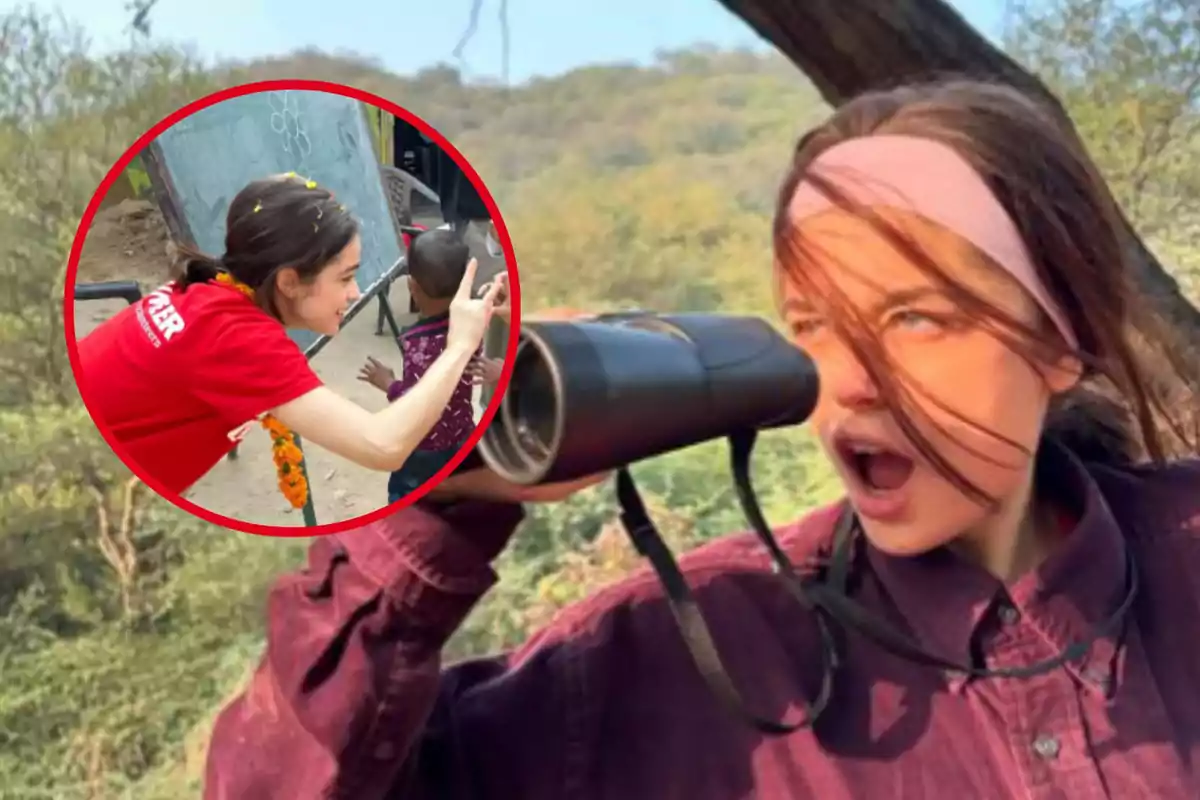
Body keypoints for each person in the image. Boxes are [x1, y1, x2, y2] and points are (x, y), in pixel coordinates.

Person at [203, 80, 1200, 800]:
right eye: (811, 324)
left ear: (1064, 339)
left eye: (915, 318)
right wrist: (438, 503)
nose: (844, 384)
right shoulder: (673, 658)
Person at [76, 172, 504, 501]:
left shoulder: (203, 290)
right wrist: (461, 343)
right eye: (346, 277)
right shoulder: (242, 341)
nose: (355, 292)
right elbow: (385, 445)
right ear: (289, 281)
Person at [357, 228, 506, 504]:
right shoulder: (474, 319)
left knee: (408, 496)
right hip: (463, 432)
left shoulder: (420, 345)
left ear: (412, 286)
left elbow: (418, 401)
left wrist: (388, 383)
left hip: (426, 447)